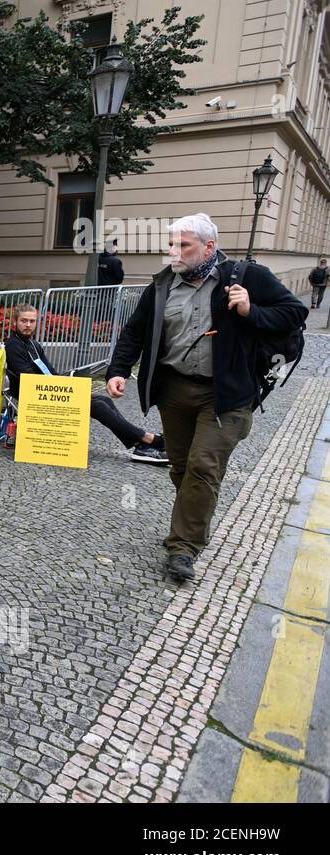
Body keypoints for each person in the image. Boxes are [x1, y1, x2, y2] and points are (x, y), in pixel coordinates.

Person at [106, 213, 308, 583]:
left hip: (227, 395)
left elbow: (295, 313)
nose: (174, 253)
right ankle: (195, 516)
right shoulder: (162, 285)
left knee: (202, 466)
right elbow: (134, 332)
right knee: (182, 468)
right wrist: (118, 370)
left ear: (208, 247)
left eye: (183, 246)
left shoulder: (248, 278)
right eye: (171, 245)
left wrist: (251, 310)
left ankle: (183, 546)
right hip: (175, 391)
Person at [4, 303, 167, 463]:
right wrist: (61, 388)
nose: (28, 325)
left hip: (48, 391)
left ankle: (140, 443)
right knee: (99, 406)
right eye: (23, 321)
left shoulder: (34, 344)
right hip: (32, 396)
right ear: (15, 322)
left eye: (32, 321)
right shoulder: (13, 345)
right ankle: (149, 439)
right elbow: (27, 376)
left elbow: (51, 372)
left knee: (104, 400)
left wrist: (69, 386)